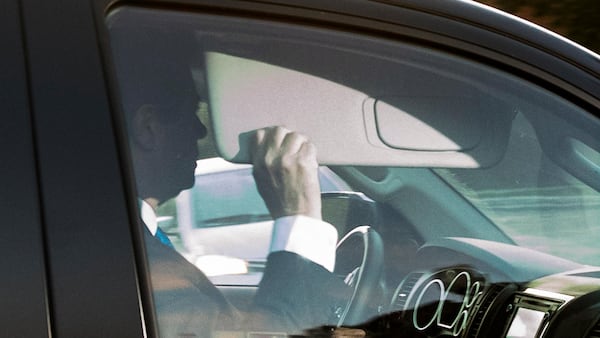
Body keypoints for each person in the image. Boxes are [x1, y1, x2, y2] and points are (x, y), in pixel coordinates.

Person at [121, 51, 351, 337]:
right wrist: (299, 216)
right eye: (191, 111)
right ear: (148, 128)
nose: (200, 129)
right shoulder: (126, 258)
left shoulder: (133, 240)